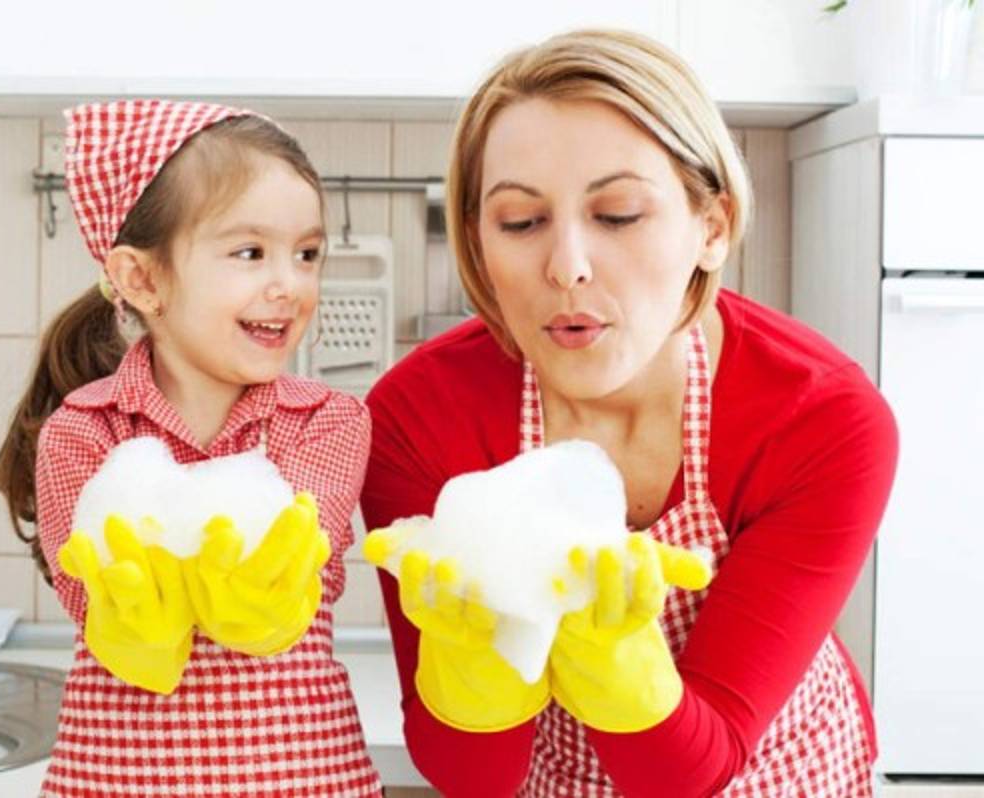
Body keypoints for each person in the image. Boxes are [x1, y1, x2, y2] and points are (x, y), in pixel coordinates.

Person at [360, 30, 898, 797]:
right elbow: (471, 775)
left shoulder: (821, 420)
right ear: (478, 246)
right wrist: (471, 666)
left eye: (617, 215)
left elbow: (697, 767)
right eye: (519, 222)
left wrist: (612, 660)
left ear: (711, 227)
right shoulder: (419, 419)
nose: (567, 266)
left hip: (775, 775)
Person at [0, 100, 382, 796]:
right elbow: (98, 610)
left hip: (302, 779)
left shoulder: (330, 422)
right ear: (143, 279)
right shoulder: (82, 432)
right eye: (249, 252)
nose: (289, 284)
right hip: (116, 781)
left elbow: (293, 588)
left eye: (307, 254)